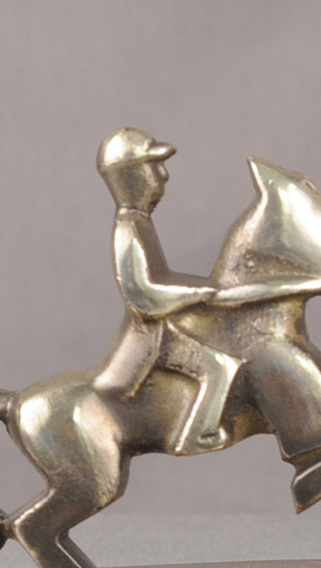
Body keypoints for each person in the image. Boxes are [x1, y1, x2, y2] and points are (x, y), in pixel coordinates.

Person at [90, 128, 242, 456]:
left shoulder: (139, 223)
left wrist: (200, 288)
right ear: (131, 177)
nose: (164, 176)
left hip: (163, 331)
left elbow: (162, 278)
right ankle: (197, 435)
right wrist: (197, 294)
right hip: (152, 340)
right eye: (154, 167)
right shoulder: (128, 229)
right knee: (220, 367)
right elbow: (143, 297)